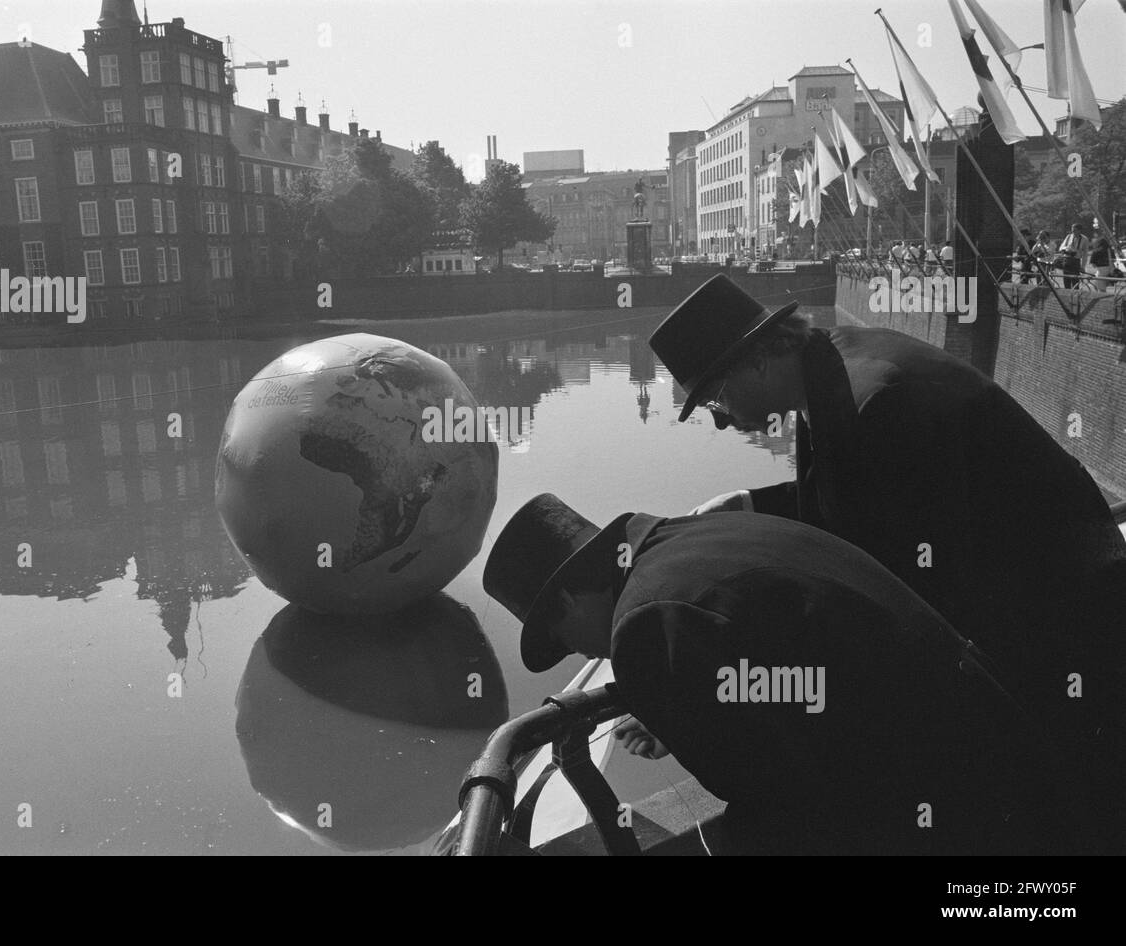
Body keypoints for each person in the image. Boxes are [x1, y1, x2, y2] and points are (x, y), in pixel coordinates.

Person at [647, 274, 1126, 849]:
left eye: (715, 398)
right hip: (1052, 595)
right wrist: (753, 504)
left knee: (1069, 813)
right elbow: (864, 499)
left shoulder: (876, 402)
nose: (721, 419)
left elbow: (892, 586)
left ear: (755, 363)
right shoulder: (839, 366)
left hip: (1062, 623)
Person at [483, 493, 1083, 854]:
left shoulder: (645, 624)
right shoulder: (700, 536)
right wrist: (681, 709)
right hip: (1010, 763)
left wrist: (672, 697)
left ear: (567, 603)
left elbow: (767, 796)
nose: (591, 656)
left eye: (564, 642)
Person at [1058, 222, 1090, 289]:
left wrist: (1083, 266)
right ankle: (1067, 296)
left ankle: (1075, 297)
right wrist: (1066, 249)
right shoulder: (1069, 236)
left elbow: (1085, 254)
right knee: (1066, 281)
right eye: (1072, 230)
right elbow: (1061, 247)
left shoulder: (1085, 239)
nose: (1073, 232)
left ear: (1080, 230)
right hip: (1066, 260)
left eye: (1075, 231)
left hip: (1076, 261)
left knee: (1075, 282)